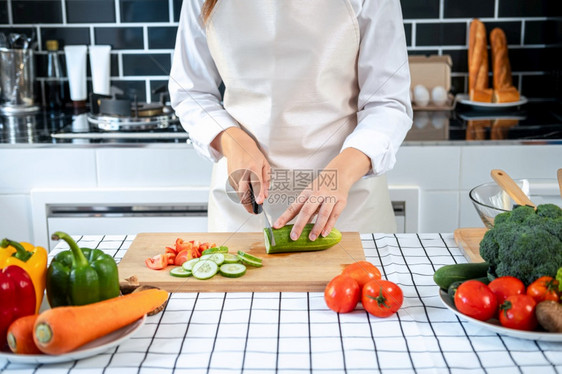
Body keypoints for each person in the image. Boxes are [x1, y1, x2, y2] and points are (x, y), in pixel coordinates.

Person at [169, 0, 413, 240]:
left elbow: (387, 101)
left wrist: (343, 171)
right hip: (243, 200)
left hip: (348, 202)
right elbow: (191, 91)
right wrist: (232, 141)